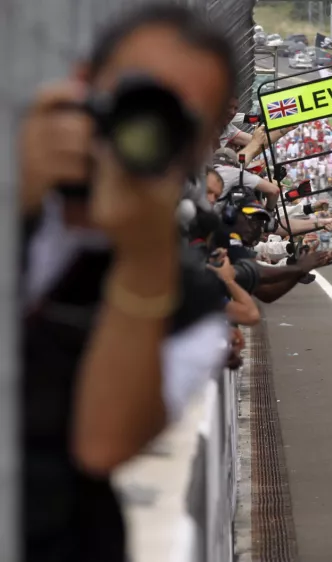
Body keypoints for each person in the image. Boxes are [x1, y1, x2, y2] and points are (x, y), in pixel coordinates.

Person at [18, 5, 239, 560]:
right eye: (135, 97)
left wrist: (143, 251)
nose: (145, 125)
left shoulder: (188, 299)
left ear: (201, 146)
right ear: (79, 88)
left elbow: (103, 445)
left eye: (176, 117)